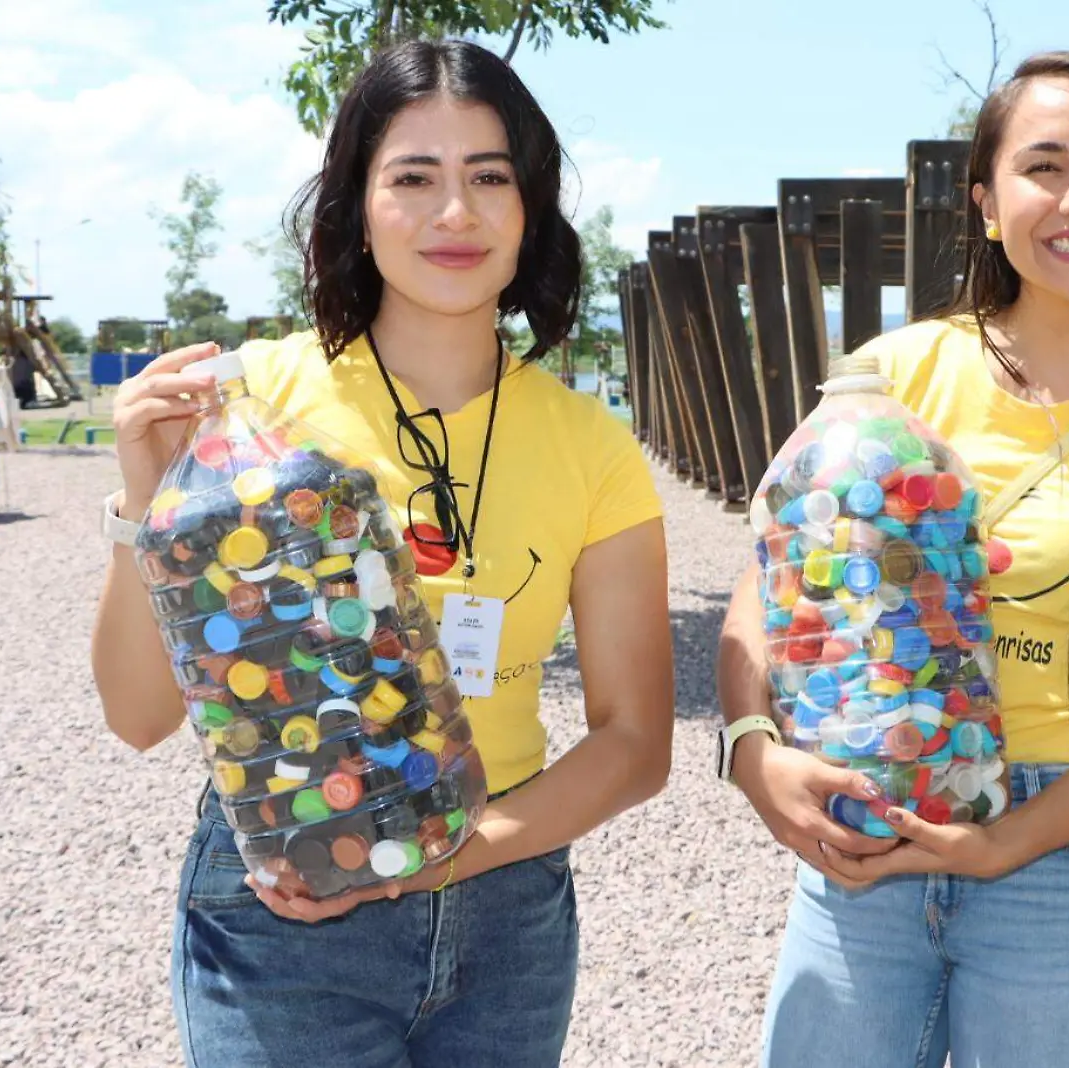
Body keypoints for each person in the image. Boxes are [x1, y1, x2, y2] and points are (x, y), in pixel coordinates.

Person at [89, 38, 674, 1068]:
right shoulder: (249, 402)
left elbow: (636, 743)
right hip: (285, 909)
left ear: (531, 204)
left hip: (508, 908)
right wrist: (149, 497)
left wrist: (437, 864)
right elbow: (140, 718)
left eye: (489, 177)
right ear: (356, 202)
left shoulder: (592, 444)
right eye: (413, 177)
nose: (456, 214)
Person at [716, 51, 1069, 1068]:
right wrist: (754, 751)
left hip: (1060, 855)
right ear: (983, 202)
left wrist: (1006, 839)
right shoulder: (894, 374)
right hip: (864, 824)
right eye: (1043, 166)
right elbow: (768, 593)